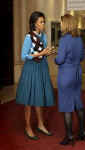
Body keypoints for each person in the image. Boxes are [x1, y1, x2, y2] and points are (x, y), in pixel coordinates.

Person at [16, 11, 54, 140]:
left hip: (42, 68)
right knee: (28, 99)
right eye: (41, 22)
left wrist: (48, 52)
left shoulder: (44, 36)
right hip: (31, 69)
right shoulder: (28, 37)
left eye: (44, 21)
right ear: (34, 24)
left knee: (39, 97)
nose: (43, 24)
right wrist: (40, 53)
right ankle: (27, 126)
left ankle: (40, 124)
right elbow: (23, 56)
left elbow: (42, 53)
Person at [55, 14, 85, 145]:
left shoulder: (64, 40)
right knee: (78, 103)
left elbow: (60, 59)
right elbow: (82, 57)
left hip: (66, 75)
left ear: (66, 24)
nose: (61, 25)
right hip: (77, 74)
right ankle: (82, 132)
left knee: (66, 106)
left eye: (62, 22)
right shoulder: (79, 39)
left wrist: (55, 58)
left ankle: (69, 137)